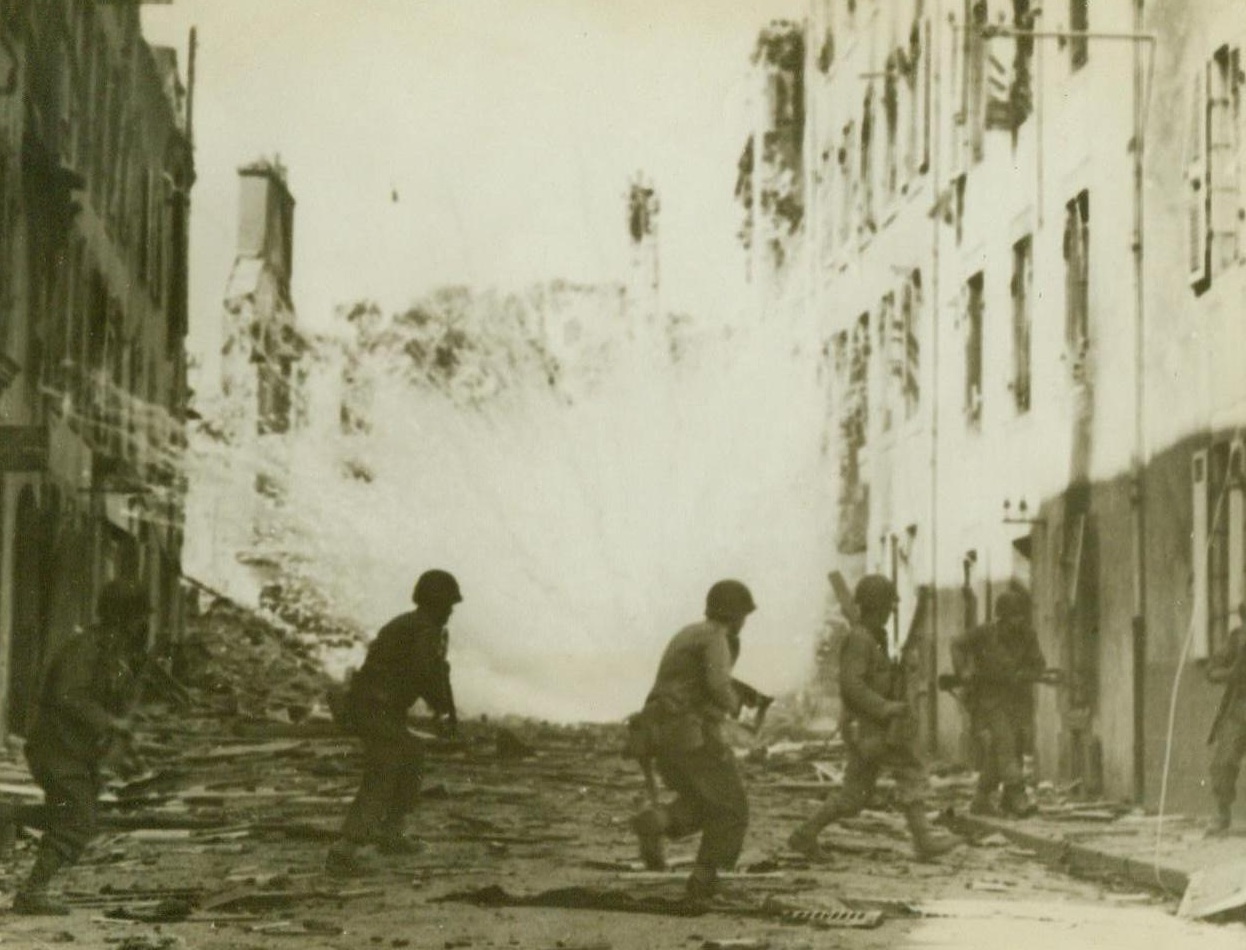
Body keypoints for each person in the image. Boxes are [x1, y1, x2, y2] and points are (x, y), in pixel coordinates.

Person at [787, 574, 957, 861]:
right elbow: (852, 685)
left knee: (854, 796)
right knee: (910, 768)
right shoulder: (860, 639)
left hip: (870, 727)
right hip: (868, 728)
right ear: (878, 607)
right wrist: (887, 708)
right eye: (889, 607)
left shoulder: (874, 638)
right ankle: (924, 839)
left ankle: (805, 835)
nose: (892, 612)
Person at [12, 579, 150, 916]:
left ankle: (6, 816)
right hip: (55, 750)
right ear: (123, 618)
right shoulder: (86, 648)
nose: (143, 626)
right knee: (78, 819)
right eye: (138, 619)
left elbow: (109, 703)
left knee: (71, 815)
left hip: (74, 752)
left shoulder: (111, 651)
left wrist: (122, 746)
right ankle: (32, 892)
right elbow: (69, 695)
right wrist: (110, 723)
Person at [629, 579, 762, 902]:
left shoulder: (689, 633)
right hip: (689, 736)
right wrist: (738, 709)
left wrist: (736, 691)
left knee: (704, 802)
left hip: (658, 735)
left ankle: (658, 822)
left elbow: (691, 682)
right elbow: (717, 686)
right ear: (736, 615)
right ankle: (705, 881)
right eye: (744, 616)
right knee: (732, 809)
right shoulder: (717, 638)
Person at [325, 569, 462, 876]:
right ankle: (345, 849)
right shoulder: (421, 629)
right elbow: (426, 673)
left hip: (385, 709)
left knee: (412, 755)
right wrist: (442, 711)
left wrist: (447, 711)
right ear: (434, 603)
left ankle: (391, 832)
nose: (452, 611)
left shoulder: (424, 628)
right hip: (372, 707)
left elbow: (439, 673)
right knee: (385, 767)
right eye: (448, 604)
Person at [950, 586, 1046, 817]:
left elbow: (1038, 664)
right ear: (1001, 617)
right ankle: (1017, 795)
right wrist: (963, 672)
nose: (1018, 621)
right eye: (1013, 616)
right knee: (1005, 742)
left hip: (1017, 698)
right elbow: (957, 644)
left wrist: (1026, 674)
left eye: (1021, 615)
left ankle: (982, 799)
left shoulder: (1028, 635)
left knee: (1010, 746)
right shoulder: (985, 633)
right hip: (989, 698)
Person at [1204, 604, 1246, 836]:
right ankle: (1222, 813)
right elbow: (1211, 670)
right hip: (1240, 706)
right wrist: (1229, 673)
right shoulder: (1237, 639)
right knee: (1223, 762)